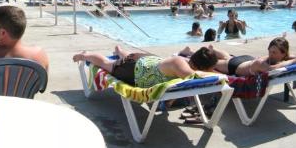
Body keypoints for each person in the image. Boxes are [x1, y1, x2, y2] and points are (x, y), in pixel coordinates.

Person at [72, 45, 219, 88]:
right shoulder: (181, 64)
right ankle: (85, 55)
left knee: (128, 55)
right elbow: (192, 77)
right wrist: (220, 76)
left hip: (148, 62)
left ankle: (119, 51)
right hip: (136, 69)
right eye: (211, 68)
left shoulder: (184, 63)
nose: (213, 71)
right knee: (107, 63)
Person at [198, 38, 296, 76]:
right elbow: (273, 69)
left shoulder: (283, 57)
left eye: (274, 52)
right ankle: (190, 54)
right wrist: (293, 61)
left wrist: (289, 58)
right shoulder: (262, 63)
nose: (270, 55)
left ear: (283, 53)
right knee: (208, 62)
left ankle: (214, 50)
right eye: (270, 51)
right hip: (235, 66)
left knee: (227, 58)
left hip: (247, 60)